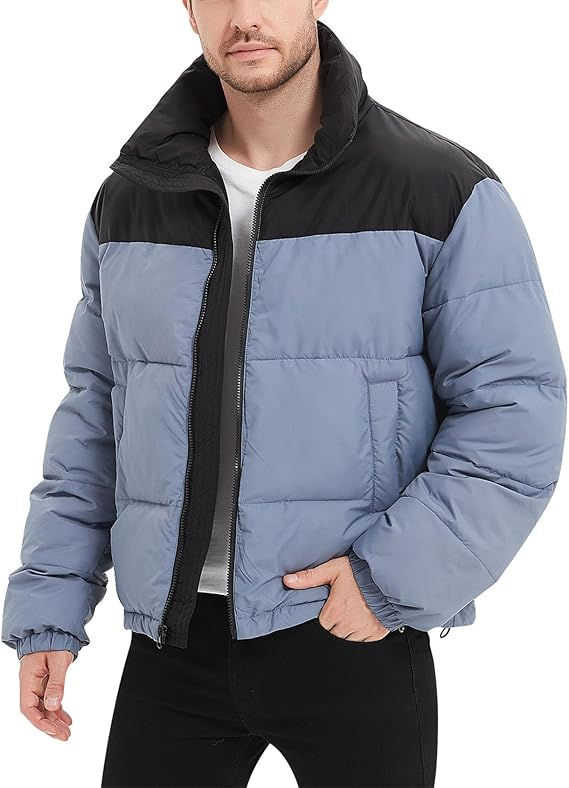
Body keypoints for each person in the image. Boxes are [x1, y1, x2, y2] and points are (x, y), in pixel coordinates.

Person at [2, 1, 566, 786]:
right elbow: (95, 418)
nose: (244, 15)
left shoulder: (437, 189)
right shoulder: (131, 198)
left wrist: (387, 580)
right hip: (172, 640)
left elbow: (514, 410)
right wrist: (51, 608)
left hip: (350, 629)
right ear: (188, 9)